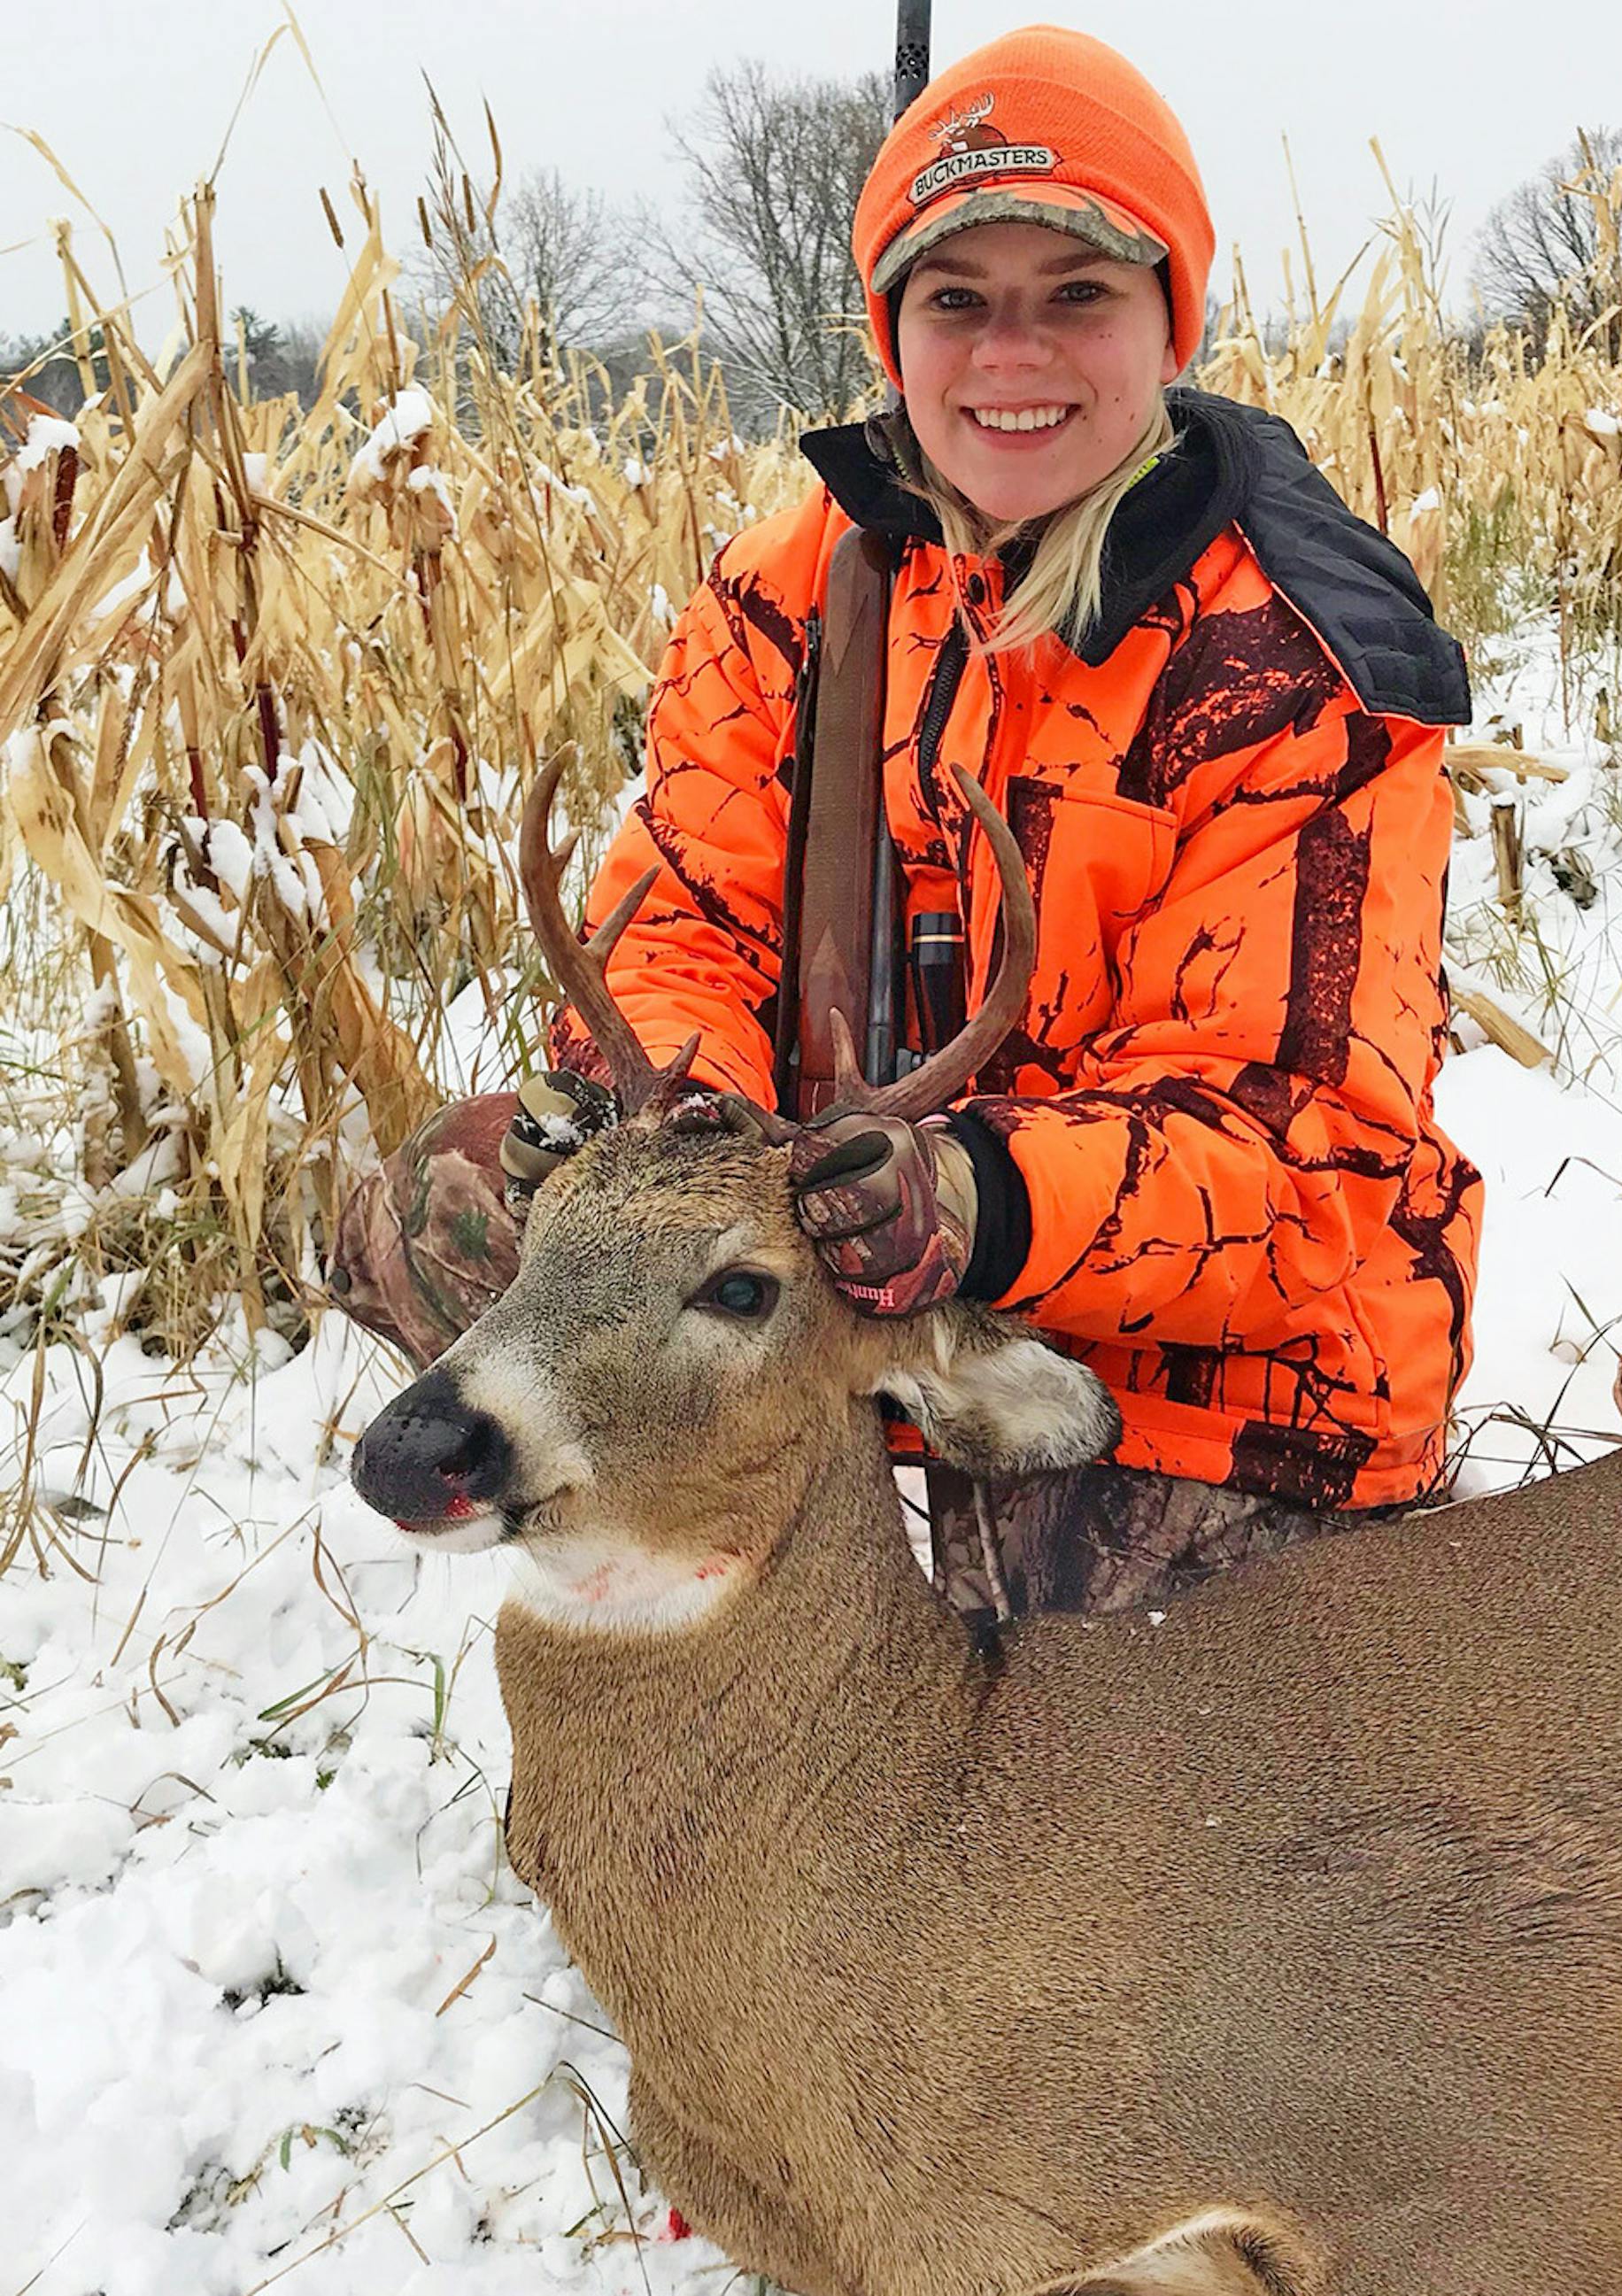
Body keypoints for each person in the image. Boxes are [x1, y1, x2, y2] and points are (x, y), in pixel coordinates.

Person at [331, 24, 1483, 1620]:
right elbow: (682, 917)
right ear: (894, 333)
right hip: (823, 1255)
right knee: (446, 1202)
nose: (1011, 357)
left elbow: (1300, 1155)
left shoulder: (1301, 667)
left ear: (1171, 321)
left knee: (1108, 1778)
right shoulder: (800, 585)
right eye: (957, 301)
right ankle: (708, 1632)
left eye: (1077, 292)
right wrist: (680, 1124)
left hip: (1197, 1364)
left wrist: (979, 1200)